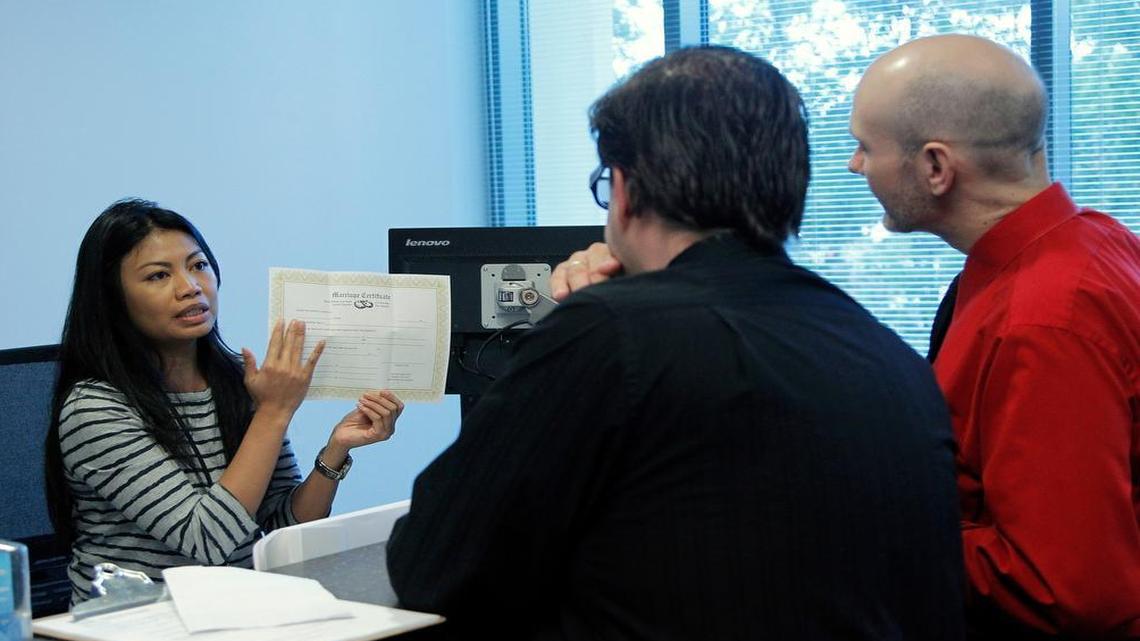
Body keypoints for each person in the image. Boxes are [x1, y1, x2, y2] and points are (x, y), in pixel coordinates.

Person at [555, 35, 1140, 639]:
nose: (854, 165)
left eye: (865, 147)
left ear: (936, 167)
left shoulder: (1044, 318)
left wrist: (839, 539)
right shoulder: (1090, 244)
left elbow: (1068, 589)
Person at [386, 46, 965, 640]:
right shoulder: (888, 357)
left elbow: (435, 568)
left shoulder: (611, 336)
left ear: (625, 191)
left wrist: (590, 318)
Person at [43, 198, 404, 603]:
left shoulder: (234, 380)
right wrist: (273, 412)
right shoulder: (94, 408)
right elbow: (208, 539)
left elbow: (283, 527)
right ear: (113, 298)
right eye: (159, 275)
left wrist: (335, 450)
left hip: (235, 611)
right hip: (139, 622)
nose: (190, 287)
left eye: (198, 266)